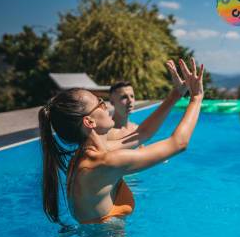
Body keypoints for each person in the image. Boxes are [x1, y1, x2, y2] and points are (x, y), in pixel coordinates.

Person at [38, 58, 203, 225]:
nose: (106, 107)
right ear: (89, 122)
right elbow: (179, 143)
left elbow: (141, 133)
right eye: (100, 104)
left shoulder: (89, 155)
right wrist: (196, 97)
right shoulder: (105, 162)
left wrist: (176, 94)